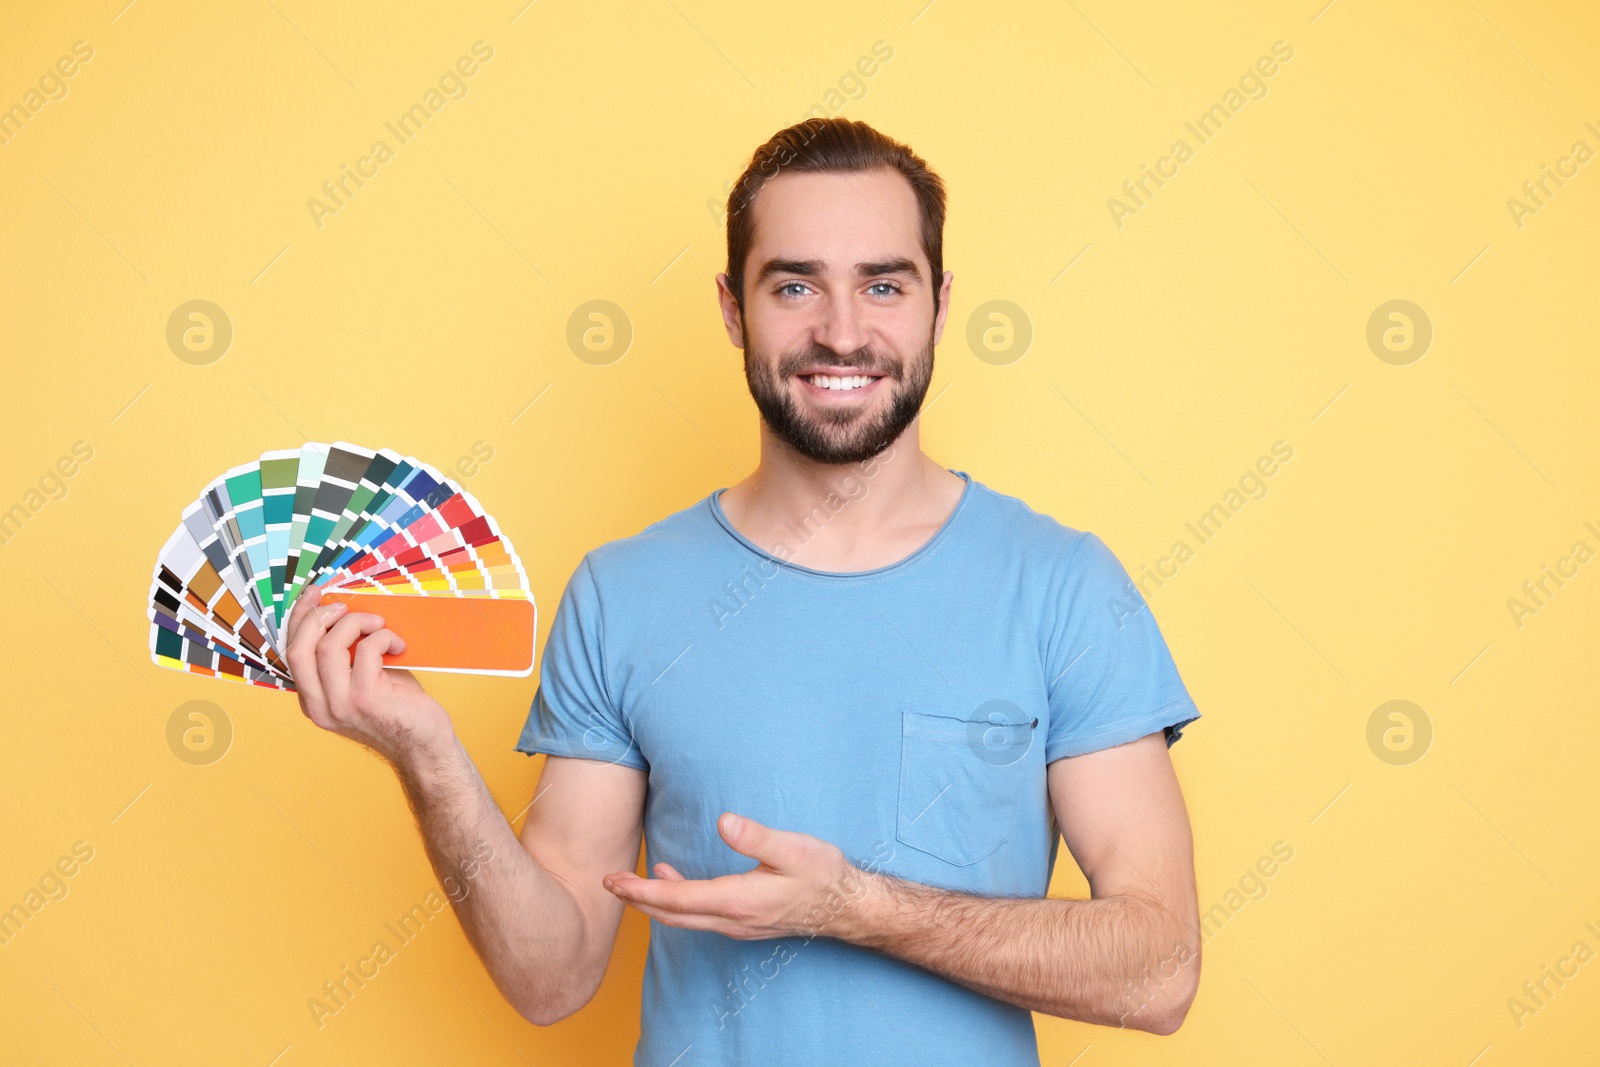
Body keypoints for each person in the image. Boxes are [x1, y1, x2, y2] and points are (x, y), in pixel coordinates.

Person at [286, 116, 1203, 1066]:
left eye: (883, 285)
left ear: (938, 304)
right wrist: (428, 756)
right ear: (732, 309)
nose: (842, 332)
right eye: (795, 285)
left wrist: (855, 906)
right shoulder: (621, 596)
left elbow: (1160, 967)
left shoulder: (1061, 587)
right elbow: (550, 977)